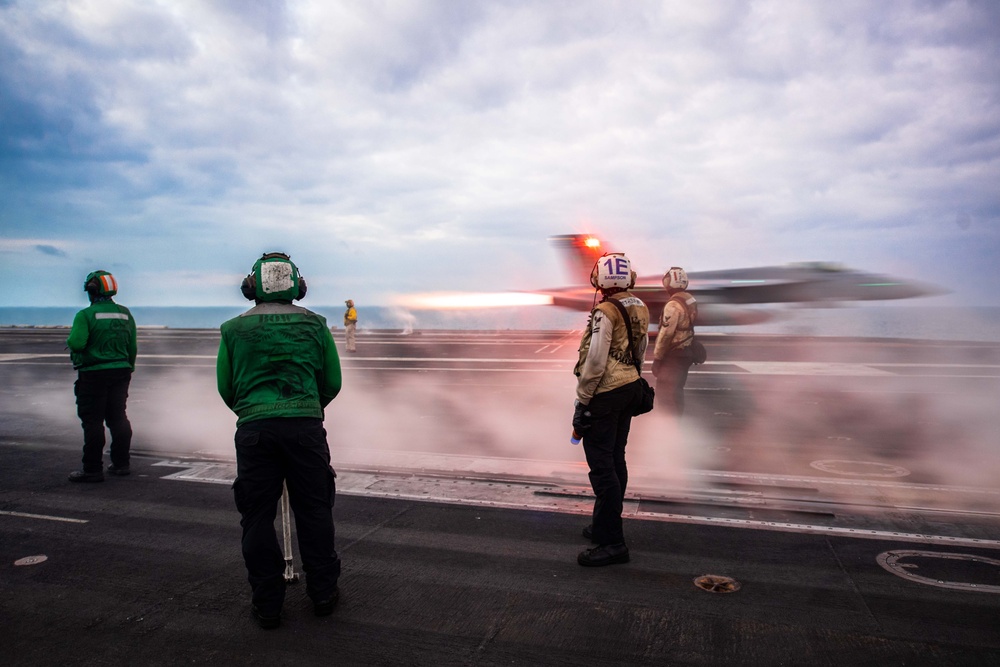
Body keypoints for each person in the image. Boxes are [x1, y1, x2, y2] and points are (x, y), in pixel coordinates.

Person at [217, 252, 343, 629]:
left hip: (255, 431)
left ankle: (268, 603)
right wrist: (305, 407)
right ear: (298, 287)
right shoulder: (316, 324)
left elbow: (226, 388)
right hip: (305, 429)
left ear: (251, 287)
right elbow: (332, 383)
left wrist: (254, 411)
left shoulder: (232, 328)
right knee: (315, 510)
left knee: (256, 517)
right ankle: (323, 593)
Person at [572, 252, 649, 567]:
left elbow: (595, 361)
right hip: (630, 389)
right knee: (617, 460)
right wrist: (632, 377)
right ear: (629, 278)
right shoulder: (640, 306)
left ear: (598, 279)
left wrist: (583, 401)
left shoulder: (604, 310)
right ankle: (603, 525)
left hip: (605, 393)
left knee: (603, 469)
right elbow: (641, 349)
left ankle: (613, 543)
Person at [66, 270, 137, 483]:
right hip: (121, 371)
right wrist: (128, 368)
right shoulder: (125, 313)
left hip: (93, 373)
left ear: (91, 291)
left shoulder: (85, 315)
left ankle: (92, 469)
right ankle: (121, 463)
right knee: (118, 418)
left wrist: (71, 345)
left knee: (93, 421)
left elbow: (77, 343)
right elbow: (132, 346)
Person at [652, 267, 697, 416]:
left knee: (665, 391)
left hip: (674, 355)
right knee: (677, 390)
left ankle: (668, 426)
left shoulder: (672, 305)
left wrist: (657, 359)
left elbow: (666, 334)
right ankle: (677, 422)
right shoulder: (690, 299)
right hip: (687, 351)